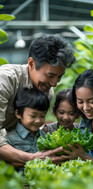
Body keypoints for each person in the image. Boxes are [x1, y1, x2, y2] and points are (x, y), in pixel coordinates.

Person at [0, 34, 75, 167]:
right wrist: (33, 157)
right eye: (50, 75)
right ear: (31, 63)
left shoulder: (46, 92)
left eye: (59, 77)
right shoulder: (5, 80)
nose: (54, 83)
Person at [6, 87, 69, 168]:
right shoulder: (10, 139)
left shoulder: (45, 137)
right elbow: (8, 164)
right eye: (33, 116)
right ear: (18, 114)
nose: (38, 121)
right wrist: (37, 161)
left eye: (42, 116)